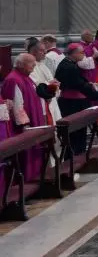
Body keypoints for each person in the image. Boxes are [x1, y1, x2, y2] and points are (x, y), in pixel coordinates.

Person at [1, 54, 56, 182]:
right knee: (27, 154)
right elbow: (17, 105)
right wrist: (24, 125)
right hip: (24, 127)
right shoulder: (14, 79)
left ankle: (36, 177)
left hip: (34, 119)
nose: (34, 65)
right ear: (21, 64)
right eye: (31, 63)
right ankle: (27, 181)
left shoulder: (26, 77)